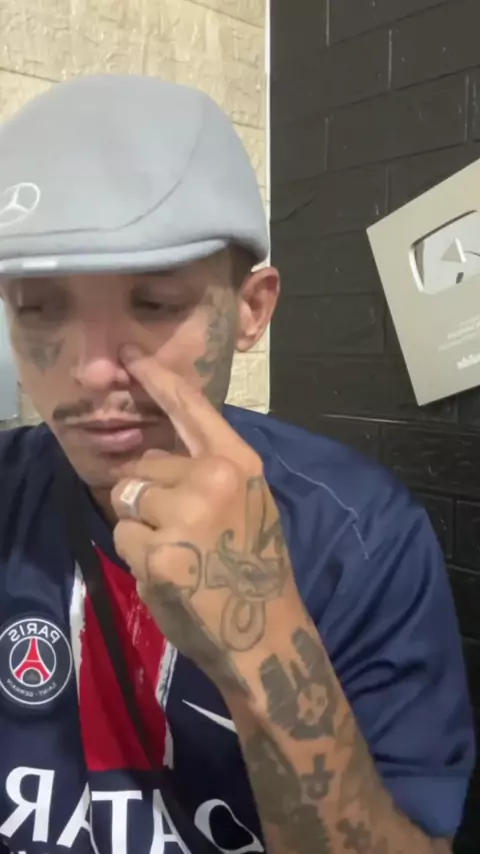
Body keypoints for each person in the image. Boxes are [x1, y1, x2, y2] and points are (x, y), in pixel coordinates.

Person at [0, 74, 473, 854]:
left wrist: (263, 640)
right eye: (40, 308)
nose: (91, 372)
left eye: (155, 304)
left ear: (252, 309)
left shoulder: (361, 537)